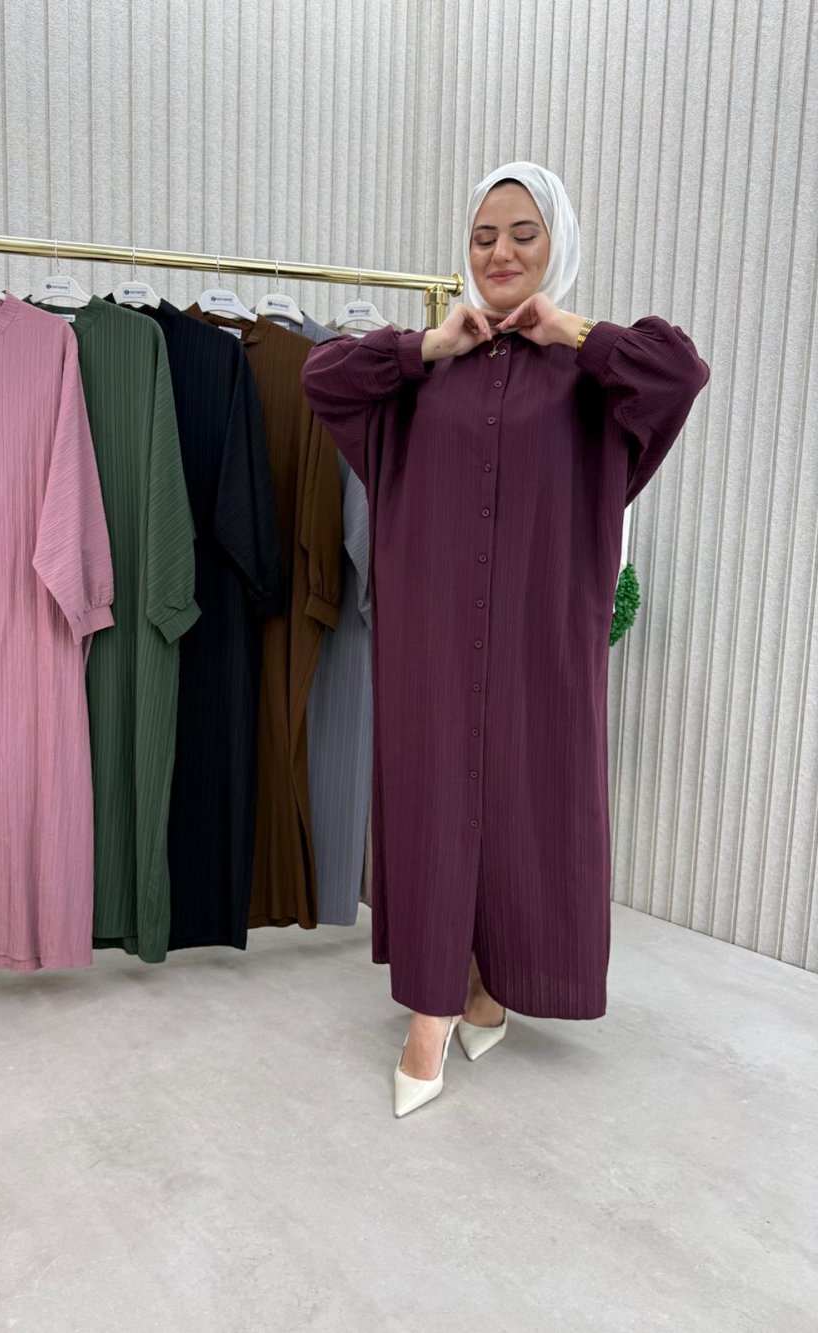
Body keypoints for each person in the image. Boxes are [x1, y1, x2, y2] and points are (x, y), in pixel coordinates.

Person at [300, 162, 710, 1118]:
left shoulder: (593, 377)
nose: (500, 252)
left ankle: (488, 985)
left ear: (556, 241)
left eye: (524, 233)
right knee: (435, 800)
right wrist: (427, 344)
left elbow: (681, 371)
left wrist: (571, 330)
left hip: (540, 633)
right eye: (484, 235)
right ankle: (434, 1002)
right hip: (432, 636)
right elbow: (323, 378)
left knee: (530, 803)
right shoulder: (424, 373)